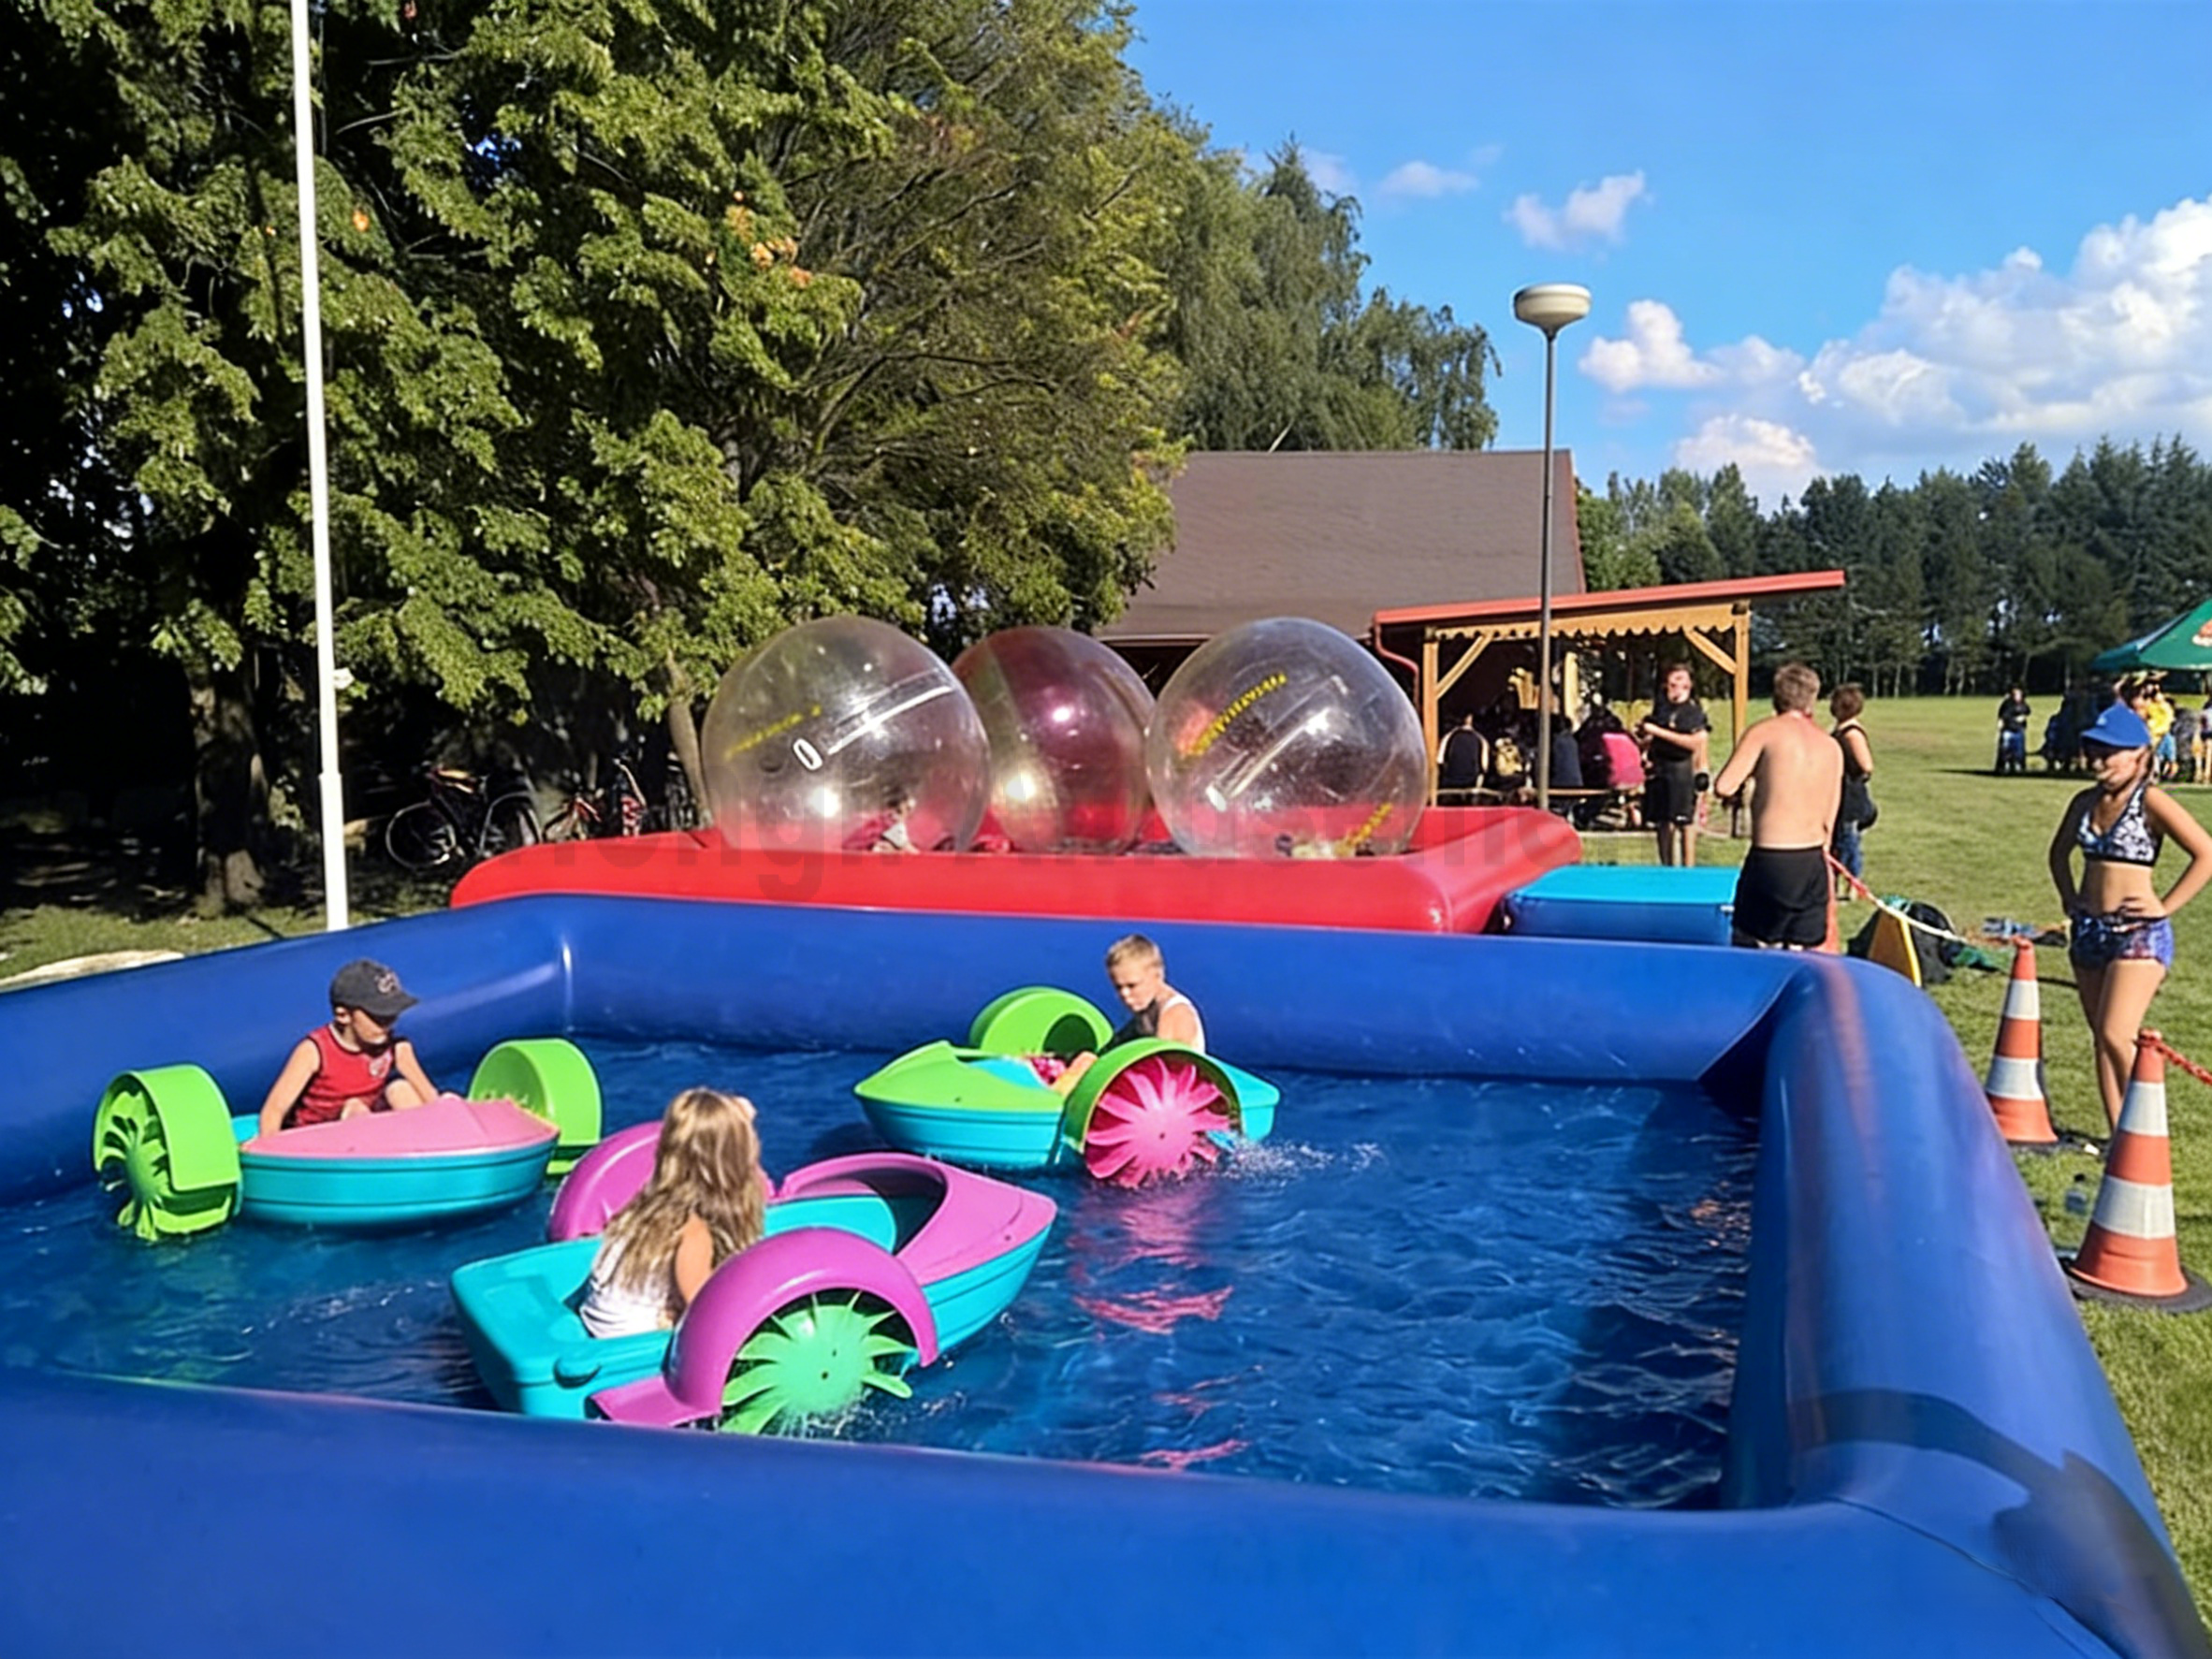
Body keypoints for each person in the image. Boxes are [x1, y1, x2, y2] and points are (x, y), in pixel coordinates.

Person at [2047, 704, 2212, 1132]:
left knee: (2117, 1031)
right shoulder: (2083, 802)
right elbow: (2058, 852)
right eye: (2093, 752)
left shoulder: (2151, 800)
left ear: (2140, 754)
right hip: (2089, 932)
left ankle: (2146, 1131)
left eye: (2110, 753)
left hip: (2138, 934)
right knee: (2102, 1038)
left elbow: (2206, 854)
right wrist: (2069, 897)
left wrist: (2165, 905)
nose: (2099, 762)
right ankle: (2120, 1137)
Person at [577, 1089, 767, 1338]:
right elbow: (706, 1311)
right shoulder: (692, 1229)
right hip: (629, 1344)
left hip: (596, 1322)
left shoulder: (651, 1205)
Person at [1712, 663, 1843, 951]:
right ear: (1813, 699)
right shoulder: (1831, 746)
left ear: (1776, 697)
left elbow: (1724, 785)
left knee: (1750, 944)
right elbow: (1830, 815)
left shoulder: (1765, 732)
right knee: (1804, 949)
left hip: (1772, 857)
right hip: (1812, 859)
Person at [257, 959, 440, 1136]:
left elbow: (430, 1097)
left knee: (401, 1089)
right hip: (318, 1137)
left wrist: (444, 1110)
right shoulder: (315, 1051)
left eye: (392, 1016)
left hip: (370, 1127)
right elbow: (275, 1109)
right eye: (379, 1017)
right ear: (344, 1015)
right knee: (355, 1108)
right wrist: (268, 1147)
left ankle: (428, 1145)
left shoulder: (396, 1047)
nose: (387, 1026)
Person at [1052, 934, 1205, 1094]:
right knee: (1086, 1059)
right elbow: (1111, 1050)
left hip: (1172, 1103)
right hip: (1149, 1097)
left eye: (1132, 986)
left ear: (1158, 975)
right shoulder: (1145, 1012)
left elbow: (1167, 1073)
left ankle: (1053, 1102)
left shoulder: (1175, 1013)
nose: (1125, 994)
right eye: (1118, 987)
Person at [1639, 662, 1709, 866]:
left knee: (1684, 822)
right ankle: (1666, 866)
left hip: (1683, 769)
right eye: (1671, 684)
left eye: (1680, 683)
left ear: (1688, 686)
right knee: (1662, 823)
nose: (1675, 689)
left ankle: (1689, 868)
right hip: (1661, 769)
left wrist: (1658, 732)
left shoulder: (1693, 712)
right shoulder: (1661, 710)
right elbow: (1649, 736)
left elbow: (1694, 743)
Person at [1829, 684, 1876, 898]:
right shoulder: (1840, 730)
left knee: (1849, 843)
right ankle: (1836, 882)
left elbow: (1866, 766)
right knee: (1838, 842)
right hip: (1838, 797)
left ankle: (1852, 885)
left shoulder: (1852, 733)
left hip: (1851, 799)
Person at [1436, 712, 1487, 797]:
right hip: (1471, 782)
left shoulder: (1449, 737)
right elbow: (1484, 767)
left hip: (1450, 780)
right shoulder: (1481, 740)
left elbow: (1439, 760)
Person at [1995, 686, 2031, 775]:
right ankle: (2005, 765)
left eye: (2018, 694)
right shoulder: (2007, 705)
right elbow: (2002, 716)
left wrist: (2023, 717)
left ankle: (2018, 765)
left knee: (2019, 750)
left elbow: (2028, 711)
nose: (2017, 696)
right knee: (2005, 748)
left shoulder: (2023, 705)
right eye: (2014, 694)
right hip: (2008, 730)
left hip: (2019, 731)